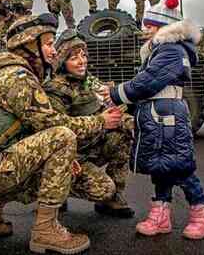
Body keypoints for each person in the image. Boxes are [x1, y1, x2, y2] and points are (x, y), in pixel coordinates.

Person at [0, 13, 123, 254]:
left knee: (69, 166)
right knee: (62, 137)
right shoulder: (18, 78)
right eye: (47, 43)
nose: (54, 50)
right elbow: (53, 125)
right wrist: (100, 121)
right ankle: (45, 231)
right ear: (28, 45)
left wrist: (67, 161)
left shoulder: (14, 73)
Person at [101, 0, 204, 239]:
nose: (146, 29)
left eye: (151, 25)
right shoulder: (160, 50)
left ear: (164, 28)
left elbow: (148, 82)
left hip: (167, 115)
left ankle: (201, 214)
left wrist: (117, 94)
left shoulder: (171, 50)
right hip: (158, 114)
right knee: (161, 165)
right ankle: (161, 215)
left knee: (180, 167)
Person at [43, 29, 135, 218]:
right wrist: (101, 122)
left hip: (90, 145)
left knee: (123, 136)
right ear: (62, 61)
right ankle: (54, 191)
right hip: (70, 155)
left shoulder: (87, 80)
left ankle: (113, 199)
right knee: (102, 189)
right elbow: (57, 130)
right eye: (74, 57)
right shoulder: (56, 89)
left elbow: (109, 107)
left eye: (83, 55)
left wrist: (134, 124)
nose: (82, 61)